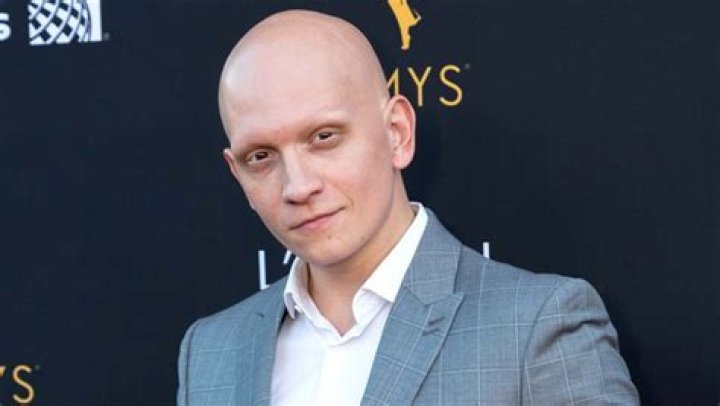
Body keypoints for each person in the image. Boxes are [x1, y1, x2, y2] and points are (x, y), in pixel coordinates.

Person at [177, 9, 639, 405]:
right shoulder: (210, 351)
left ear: (397, 133)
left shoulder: (536, 327)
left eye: (324, 137)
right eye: (261, 156)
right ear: (237, 173)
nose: (297, 186)